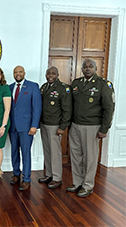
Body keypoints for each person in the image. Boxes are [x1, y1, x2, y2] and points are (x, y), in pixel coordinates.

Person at [67, 59, 115, 198]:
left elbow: (109, 108)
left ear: (95, 68)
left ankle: (87, 185)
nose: (87, 68)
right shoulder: (76, 83)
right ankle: (77, 182)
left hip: (92, 126)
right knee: (75, 156)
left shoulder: (103, 84)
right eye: (85, 66)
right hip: (75, 125)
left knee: (90, 158)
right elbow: (71, 105)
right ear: (82, 69)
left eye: (90, 66)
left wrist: (104, 129)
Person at [8, 65, 42, 191]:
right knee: (14, 152)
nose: (18, 74)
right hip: (13, 127)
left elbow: (37, 108)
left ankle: (26, 178)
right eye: (15, 72)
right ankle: (16, 174)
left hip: (27, 127)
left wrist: (34, 125)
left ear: (24, 73)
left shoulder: (33, 86)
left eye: (20, 72)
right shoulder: (10, 87)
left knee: (25, 153)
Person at [39, 66, 72, 189]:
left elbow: (67, 110)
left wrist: (63, 127)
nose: (50, 75)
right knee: (47, 150)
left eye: (53, 73)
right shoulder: (44, 87)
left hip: (55, 125)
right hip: (44, 124)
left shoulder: (64, 89)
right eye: (48, 73)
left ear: (57, 75)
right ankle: (49, 174)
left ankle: (57, 177)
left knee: (55, 152)